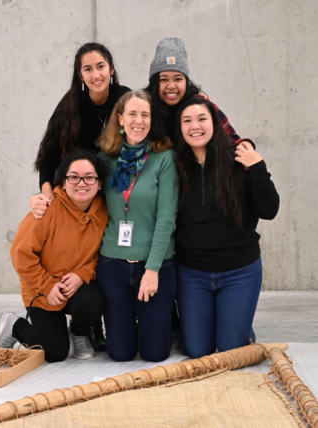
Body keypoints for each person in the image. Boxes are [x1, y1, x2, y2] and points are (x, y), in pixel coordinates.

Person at [145, 37, 254, 344]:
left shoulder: (201, 105)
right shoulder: (149, 109)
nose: (171, 86)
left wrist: (250, 155)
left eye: (177, 79)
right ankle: (179, 320)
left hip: (193, 191)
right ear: (155, 82)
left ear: (186, 81)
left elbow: (232, 138)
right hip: (160, 191)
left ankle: (232, 322)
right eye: (163, 79)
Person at [31, 42, 130, 351]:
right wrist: (47, 196)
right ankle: (82, 324)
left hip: (115, 194)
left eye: (100, 66)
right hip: (75, 195)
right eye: (87, 68)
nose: (95, 73)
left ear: (111, 69)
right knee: (77, 255)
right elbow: (47, 157)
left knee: (105, 256)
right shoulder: (70, 105)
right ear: (80, 74)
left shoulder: (125, 99)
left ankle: (90, 322)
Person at [173, 97, 279, 359]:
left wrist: (257, 166)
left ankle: (239, 326)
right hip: (192, 273)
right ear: (179, 128)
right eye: (187, 121)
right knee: (198, 350)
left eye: (202, 119)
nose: (195, 126)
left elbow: (269, 210)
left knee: (231, 350)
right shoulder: (173, 166)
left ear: (214, 124)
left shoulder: (238, 159)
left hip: (239, 271)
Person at [0, 151, 108, 362]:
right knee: (55, 353)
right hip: (41, 289)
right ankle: (15, 326)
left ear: (99, 183)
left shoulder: (102, 212)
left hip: (73, 285)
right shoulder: (46, 210)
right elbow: (20, 253)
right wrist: (47, 286)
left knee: (96, 301)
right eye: (73, 177)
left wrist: (82, 275)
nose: (82, 183)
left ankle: (78, 332)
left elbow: (99, 254)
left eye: (89, 177)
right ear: (63, 183)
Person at [96, 90, 179, 362]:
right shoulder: (105, 159)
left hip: (155, 266)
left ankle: (158, 327)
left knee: (154, 354)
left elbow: (166, 217)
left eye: (145, 115)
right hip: (113, 265)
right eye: (132, 114)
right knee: (119, 353)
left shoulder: (164, 158)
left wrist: (152, 268)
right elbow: (80, 196)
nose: (139, 121)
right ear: (120, 119)